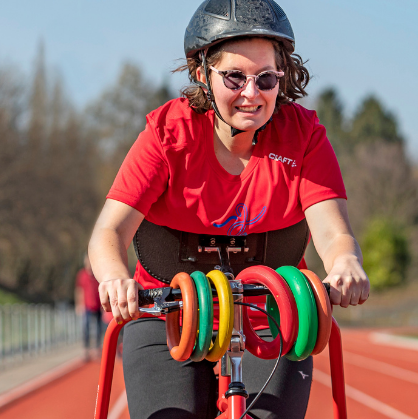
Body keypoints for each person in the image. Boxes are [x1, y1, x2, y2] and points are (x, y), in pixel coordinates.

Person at [87, 1, 370, 418]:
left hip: (268, 309)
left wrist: (345, 262)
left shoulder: (304, 137)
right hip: (170, 311)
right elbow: (108, 232)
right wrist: (114, 278)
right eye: (234, 77)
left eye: (267, 78)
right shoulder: (169, 134)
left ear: (283, 77)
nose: (252, 94)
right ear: (203, 73)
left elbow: (332, 231)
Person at [75, 253, 105, 359]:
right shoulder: (82, 275)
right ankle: (86, 349)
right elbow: (79, 290)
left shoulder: (98, 275)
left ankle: (96, 349)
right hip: (86, 306)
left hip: (97, 306)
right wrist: (79, 304)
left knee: (98, 328)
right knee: (85, 328)